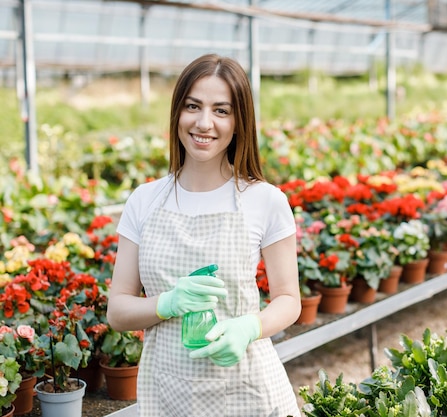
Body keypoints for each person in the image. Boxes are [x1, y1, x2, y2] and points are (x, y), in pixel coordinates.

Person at [107, 53, 302, 417]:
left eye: (221, 110)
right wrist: (167, 303)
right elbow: (118, 310)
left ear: (240, 121)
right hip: (167, 390)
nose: (204, 123)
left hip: (248, 388)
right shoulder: (144, 200)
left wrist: (250, 326)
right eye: (193, 106)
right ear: (176, 113)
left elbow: (289, 299)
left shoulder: (265, 200)